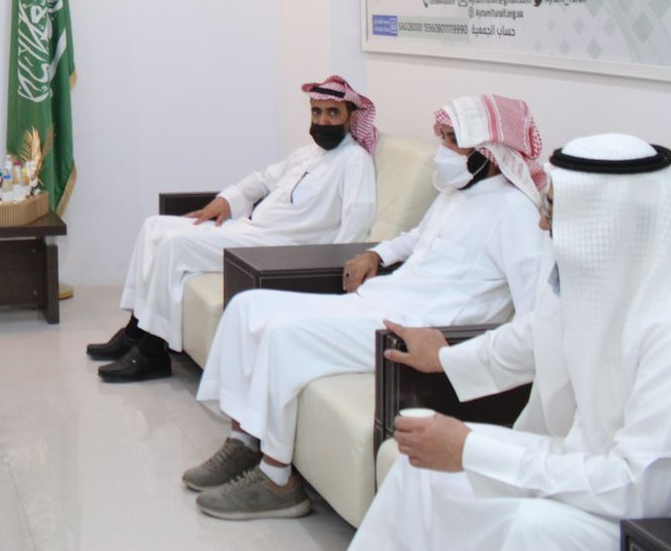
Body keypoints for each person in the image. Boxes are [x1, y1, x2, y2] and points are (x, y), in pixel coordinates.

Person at [185, 94, 550, 521]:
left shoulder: (516, 212)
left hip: (413, 329)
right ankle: (244, 442)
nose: (443, 151)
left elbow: (534, 316)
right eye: (442, 138)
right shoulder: (456, 193)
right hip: (384, 299)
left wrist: (456, 351)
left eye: (453, 140)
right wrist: (377, 255)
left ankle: (277, 480)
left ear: (488, 153)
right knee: (247, 307)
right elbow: (416, 238)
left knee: (284, 334)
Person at [351, 134, 671, 550]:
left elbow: (639, 489)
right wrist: (445, 357)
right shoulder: (596, 280)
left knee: (532, 526)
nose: (542, 225)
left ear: (607, 223)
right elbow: (534, 335)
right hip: (578, 462)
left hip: (654, 520)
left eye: (552, 211)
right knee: (419, 464)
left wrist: (470, 450)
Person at [89, 76, 378, 383]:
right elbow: (263, 179)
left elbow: (356, 222)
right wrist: (226, 200)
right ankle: (135, 331)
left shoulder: (355, 161)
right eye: (316, 112)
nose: (322, 121)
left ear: (352, 118)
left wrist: (331, 271)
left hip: (280, 250)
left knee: (174, 244)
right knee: (153, 225)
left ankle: (152, 352)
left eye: (332, 113)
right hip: (250, 229)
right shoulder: (308, 153)